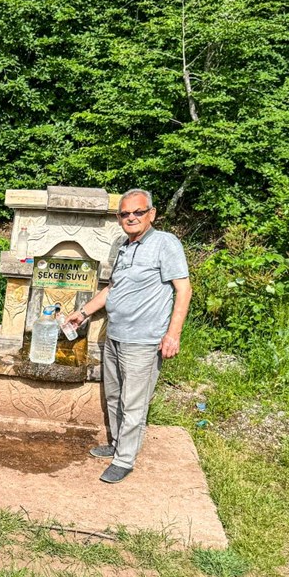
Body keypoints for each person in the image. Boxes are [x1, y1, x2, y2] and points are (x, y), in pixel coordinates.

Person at [64, 189, 191, 484]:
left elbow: (183, 289)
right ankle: (118, 443)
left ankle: (124, 460)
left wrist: (173, 334)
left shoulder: (164, 243)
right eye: (125, 214)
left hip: (144, 341)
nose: (131, 217)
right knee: (114, 395)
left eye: (138, 212)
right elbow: (113, 289)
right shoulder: (123, 246)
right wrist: (82, 313)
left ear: (152, 214)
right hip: (116, 335)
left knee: (134, 402)